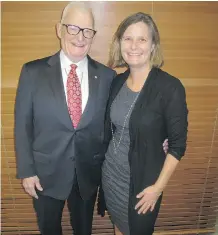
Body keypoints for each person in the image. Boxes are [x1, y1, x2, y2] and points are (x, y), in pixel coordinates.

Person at [14, 2, 116, 235]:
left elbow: (115, 122)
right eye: (73, 28)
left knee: (84, 230)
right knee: (49, 230)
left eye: (87, 31)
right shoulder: (32, 72)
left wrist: (154, 137)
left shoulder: (108, 76)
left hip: (87, 176)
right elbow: (23, 125)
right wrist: (27, 171)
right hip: (45, 176)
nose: (80, 37)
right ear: (59, 29)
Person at [100, 12, 188, 235]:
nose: (134, 46)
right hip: (111, 174)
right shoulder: (117, 82)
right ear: (120, 43)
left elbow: (177, 146)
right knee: (118, 227)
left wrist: (157, 189)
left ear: (153, 45)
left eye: (142, 39)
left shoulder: (170, 88)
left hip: (143, 185)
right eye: (128, 38)